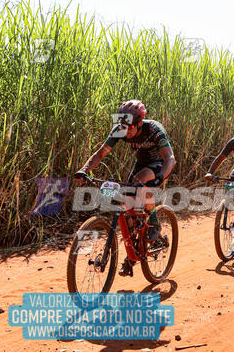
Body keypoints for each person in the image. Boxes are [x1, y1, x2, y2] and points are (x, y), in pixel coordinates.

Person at [74, 100, 176, 273]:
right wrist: (84, 170)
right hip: (141, 164)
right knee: (126, 205)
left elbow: (170, 158)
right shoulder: (121, 129)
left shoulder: (154, 130)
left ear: (139, 123)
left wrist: (159, 177)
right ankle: (132, 256)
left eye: (129, 127)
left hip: (159, 164)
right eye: (122, 126)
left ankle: (154, 222)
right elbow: (101, 153)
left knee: (140, 182)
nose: (126, 131)